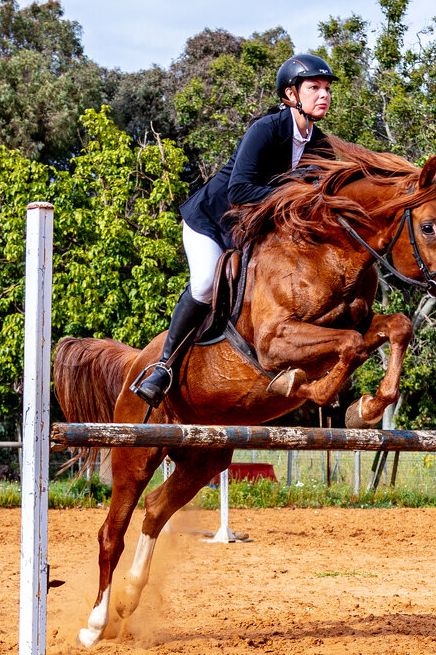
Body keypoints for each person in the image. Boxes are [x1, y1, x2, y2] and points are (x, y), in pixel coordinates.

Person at [132, 54, 338, 407]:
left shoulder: (321, 145)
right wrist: (297, 194)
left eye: (327, 89)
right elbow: (240, 190)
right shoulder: (267, 130)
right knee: (206, 284)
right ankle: (163, 367)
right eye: (314, 87)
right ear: (291, 94)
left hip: (252, 229)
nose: (323, 95)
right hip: (212, 220)